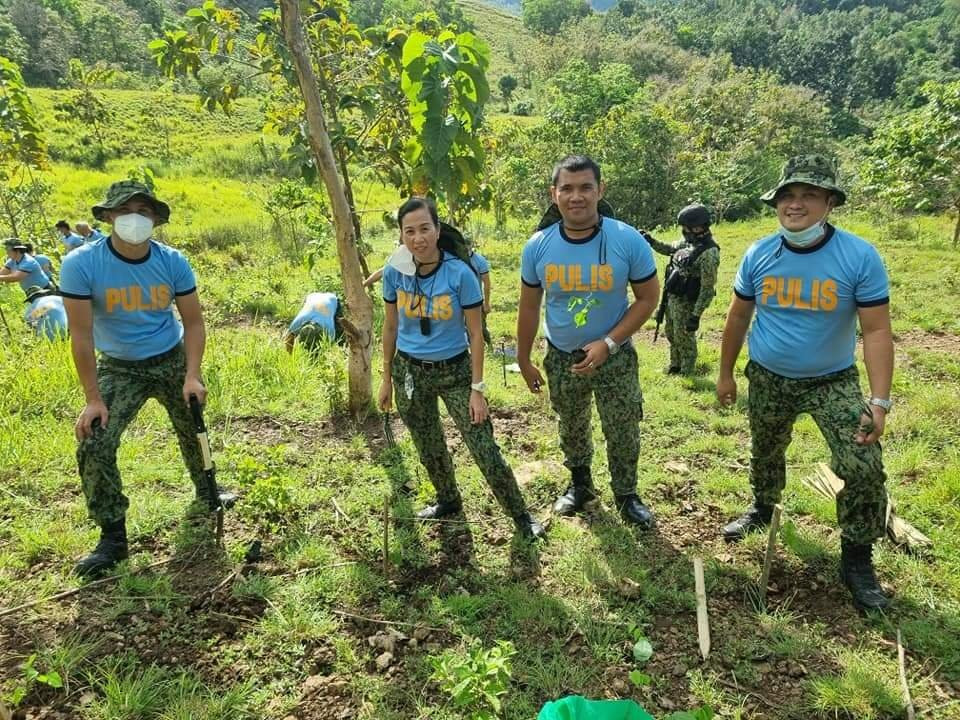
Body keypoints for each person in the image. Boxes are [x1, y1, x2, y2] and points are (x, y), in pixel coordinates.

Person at [717, 155, 894, 610]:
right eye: (787, 196)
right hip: (769, 377)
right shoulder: (759, 253)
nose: (795, 205)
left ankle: (857, 556)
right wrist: (725, 374)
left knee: (862, 464)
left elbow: (876, 330)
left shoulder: (858, 256)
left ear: (829, 202)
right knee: (767, 447)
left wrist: (879, 401)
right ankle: (761, 506)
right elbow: (738, 316)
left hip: (831, 381)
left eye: (809, 195)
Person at [60, 180, 212, 578]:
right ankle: (113, 535)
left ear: (155, 220)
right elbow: (81, 335)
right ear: (108, 216)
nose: (134, 219)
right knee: (95, 440)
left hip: (170, 357)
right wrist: (93, 398)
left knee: (192, 427)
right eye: (125, 210)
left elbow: (194, 322)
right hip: (118, 366)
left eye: (143, 211)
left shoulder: (172, 261)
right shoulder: (81, 264)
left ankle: (208, 491)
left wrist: (192, 375)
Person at [377, 196, 545, 540]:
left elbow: (475, 333)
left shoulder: (460, 273)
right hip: (410, 372)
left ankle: (521, 517)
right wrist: (386, 378)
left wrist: (477, 389)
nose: (417, 238)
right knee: (428, 443)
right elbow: (390, 326)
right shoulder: (395, 271)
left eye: (425, 228)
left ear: (438, 230)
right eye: (409, 231)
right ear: (401, 235)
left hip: (456, 371)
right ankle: (447, 499)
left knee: (483, 447)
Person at [516, 155, 660, 527]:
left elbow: (647, 298)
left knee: (623, 426)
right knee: (572, 423)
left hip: (615, 357)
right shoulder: (538, 246)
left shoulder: (627, 240)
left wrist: (608, 343)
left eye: (585, 187)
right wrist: (524, 356)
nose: (576, 196)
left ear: (600, 190)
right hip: (563, 357)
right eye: (567, 188)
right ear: (554, 193)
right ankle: (580, 486)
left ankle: (627, 496)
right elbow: (530, 306)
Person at [644, 203, 720, 375]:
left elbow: (707, 288)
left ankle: (687, 372)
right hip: (674, 297)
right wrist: (651, 241)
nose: (684, 231)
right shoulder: (688, 243)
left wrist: (696, 315)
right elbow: (670, 249)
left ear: (698, 227)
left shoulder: (709, 253)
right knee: (671, 333)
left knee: (684, 337)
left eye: (687, 228)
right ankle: (675, 365)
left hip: (688, 302)